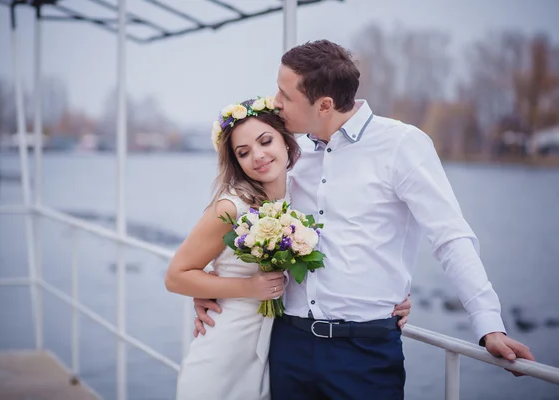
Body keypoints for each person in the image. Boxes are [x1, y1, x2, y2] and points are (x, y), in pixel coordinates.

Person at [193, 40, 536, 400]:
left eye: (285, 94)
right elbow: (248, 221)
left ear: (324, 105)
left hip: (365, 353)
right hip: (287, 344)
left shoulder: (402, 145)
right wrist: (209, 289)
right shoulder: (288, 153)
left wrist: (489, 326)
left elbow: (450, 238)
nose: (274, 101)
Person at [165, 96, 412, 400]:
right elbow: (176, 275)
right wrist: (247, 288)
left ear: (285, 141)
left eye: (265, 141)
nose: (258, 156)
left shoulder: (302, 194)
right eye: (243, 152)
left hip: (274, 350)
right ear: (236, 162)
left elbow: (352, 241)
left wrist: (392, 294)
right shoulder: (231, 207)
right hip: (225, 346)